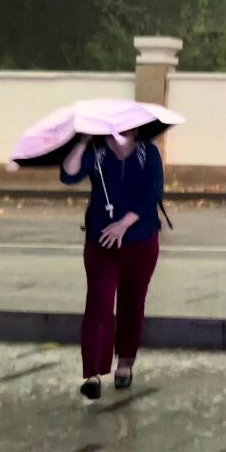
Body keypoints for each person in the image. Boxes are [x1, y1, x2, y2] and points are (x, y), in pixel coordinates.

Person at [61, 130, 164, 400]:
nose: (119, 134)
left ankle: (125, 363)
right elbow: (69, 175)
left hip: (140, 240)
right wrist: (82, 142)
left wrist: (123, 224)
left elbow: (152, 192)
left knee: (132, 302)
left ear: (134, 130)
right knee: (99, 302)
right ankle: (93, 373)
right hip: (101, 242)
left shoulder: (147, 152)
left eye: (126, 128)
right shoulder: (96, 152)